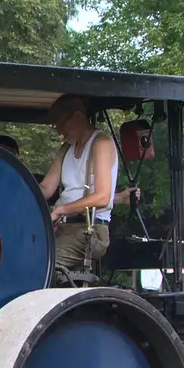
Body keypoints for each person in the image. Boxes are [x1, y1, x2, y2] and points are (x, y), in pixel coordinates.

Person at [38, 95, 118, 272]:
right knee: (24, 253)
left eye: (60, 124)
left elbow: (103, 197)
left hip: (90, 231)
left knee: (42, 263)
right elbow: (45, 188)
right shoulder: (66, 149)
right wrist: (17, 189)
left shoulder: (101, 143)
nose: (59, 131)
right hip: (63, 228)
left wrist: (60, 210)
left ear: (77, 117)